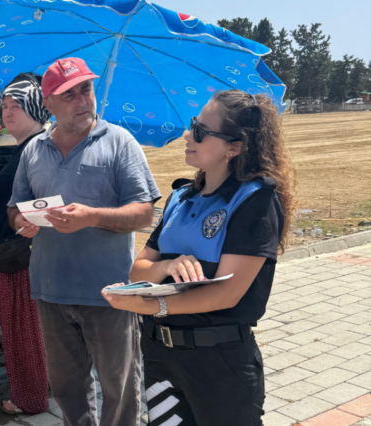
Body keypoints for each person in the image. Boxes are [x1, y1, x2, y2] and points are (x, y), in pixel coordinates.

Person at [101, 90, 295, 426]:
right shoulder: (180, 197)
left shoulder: (255, 201)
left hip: (219, 361)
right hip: (160, 355)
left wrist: (153, 305)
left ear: (234, 147)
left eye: (202, 131)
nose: (188, 135)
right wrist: (165, 266)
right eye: (193, 125)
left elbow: (227, 293)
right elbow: (138, 270)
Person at [7, 57, 161, 426]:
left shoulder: (119, 142)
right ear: (49, 103)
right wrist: (21, 224)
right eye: (69, 93)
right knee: (67, 390)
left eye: (86, 89)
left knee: (119, 389)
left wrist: (93, 216)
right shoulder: (33, 150)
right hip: (50, 290)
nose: (82, 100)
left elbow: (144, 214)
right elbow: (14, 209)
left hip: (109, 292)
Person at [0, 74, 50, 415]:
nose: (7, 113)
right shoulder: (27, 147)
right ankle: (41, 386)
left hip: (15, 254)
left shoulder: (37, 149)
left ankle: (30, 398)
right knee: (27, 327)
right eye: (4, 106)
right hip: (11, 250)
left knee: (20, 329)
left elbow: (45, 201)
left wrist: (33, 228)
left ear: (35, 108)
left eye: (16, 106)